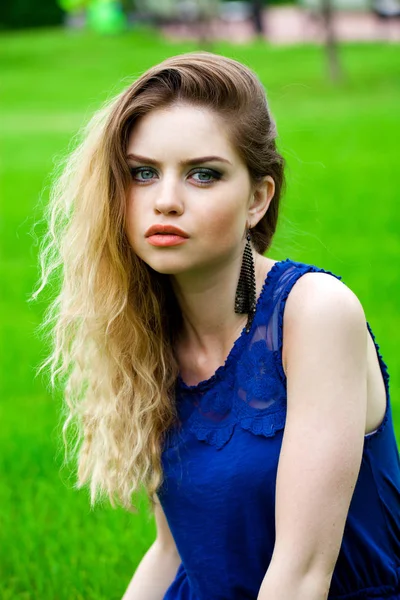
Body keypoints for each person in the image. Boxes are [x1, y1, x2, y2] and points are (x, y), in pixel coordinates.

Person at [32, 51, 400, 600]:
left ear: (257, 198)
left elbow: (301, 579)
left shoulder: (315, 313)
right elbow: (173, 552)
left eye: (203, 174)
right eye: (142, 173)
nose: (166, 201)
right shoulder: (146, 334)